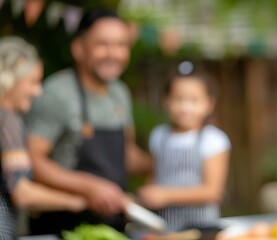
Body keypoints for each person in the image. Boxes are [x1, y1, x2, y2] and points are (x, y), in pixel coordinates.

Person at [24, 8, 150, 235]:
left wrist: (164, 159)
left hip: (110, 227)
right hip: (60, 226)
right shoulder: (57, 92)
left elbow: (126, 153)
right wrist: (89, 187)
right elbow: (32, 159)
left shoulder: (120, 93)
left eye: (122, 45)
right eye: (103, 44)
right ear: (78, 49)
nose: (114, 53)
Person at [0, 36, 86, 238]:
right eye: (33, 82)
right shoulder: (6, 120)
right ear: (10, 78)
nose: (38, 91)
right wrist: (78, 201)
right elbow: (22, 193)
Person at [136, 64, 231, 231]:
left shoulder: (213, 139)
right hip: (163, 228)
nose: (185, 107)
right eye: (178, 99)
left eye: (193, 101)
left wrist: (165, 196)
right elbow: (154, 176)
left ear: (209, 104)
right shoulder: (159, 136)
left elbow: (213, 191)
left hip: (201, 229)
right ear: (166, 101)